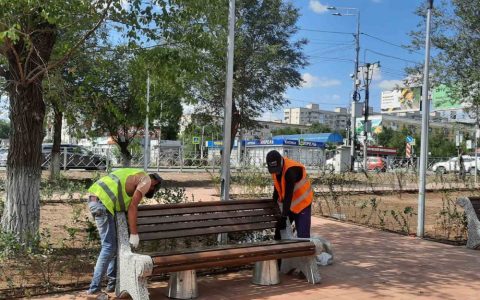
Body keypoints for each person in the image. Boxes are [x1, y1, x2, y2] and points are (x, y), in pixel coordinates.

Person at [85, 168, 162, 298]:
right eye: (152, 190)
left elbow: (124, 201)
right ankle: (94, 289)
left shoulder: (132, 174)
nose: (148, 191)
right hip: (102, 204)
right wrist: (134, 234)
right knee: (108, 247)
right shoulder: (147, 180)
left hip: (97, 200)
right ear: (154, 184)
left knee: (113, 247)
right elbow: (132, 207)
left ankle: (112, 284)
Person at [266, 150, 313, 239]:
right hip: (289, 204)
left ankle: (302, 252)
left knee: (303, 237)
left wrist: (283, 216)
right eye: (273, 170)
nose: (276, 172)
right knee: (279, 235)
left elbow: (288, 195)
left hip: (302, 203)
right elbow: (277, 187)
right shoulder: (275, 170)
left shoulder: (291, 170)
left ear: (281, 161)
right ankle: (280, 251)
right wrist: (274, 204)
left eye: (277, 169)